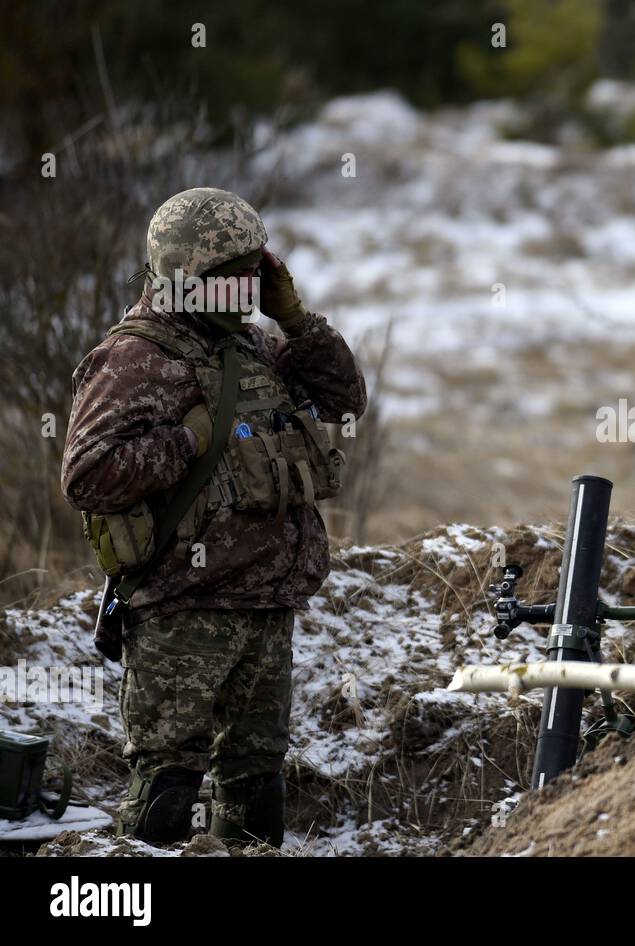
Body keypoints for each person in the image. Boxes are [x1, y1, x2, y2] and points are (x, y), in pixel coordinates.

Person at [61, 187, 367, 846]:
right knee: (167, 795)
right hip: (183, 610)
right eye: (229, 280)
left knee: (257, 794)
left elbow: (344, 397)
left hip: (265, 606)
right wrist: (191, 441)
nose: (244, 292)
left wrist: (297, 319)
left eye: (252, 276)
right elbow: (88, 475)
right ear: (183, 279)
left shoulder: (252, 347)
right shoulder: (135, 358)